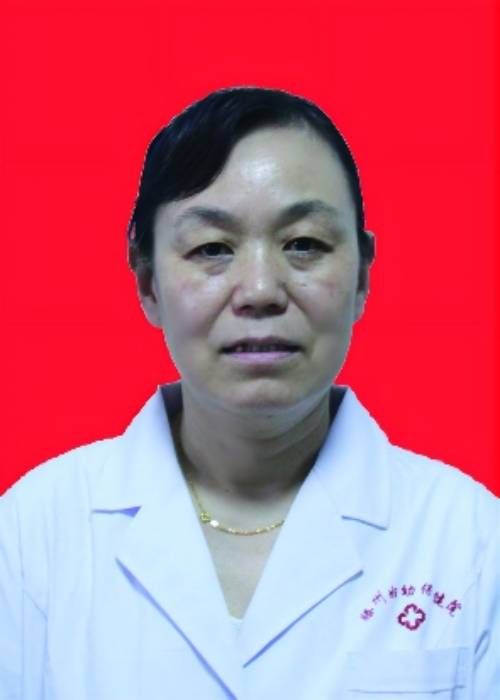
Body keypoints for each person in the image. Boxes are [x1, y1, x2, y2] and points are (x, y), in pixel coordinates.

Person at [0, 87, 498, 699]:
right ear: (148, 281)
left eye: (304, 244)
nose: (260, 289)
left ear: (363, 276)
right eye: (212, 249)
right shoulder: (35, 534)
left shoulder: (469, 540)